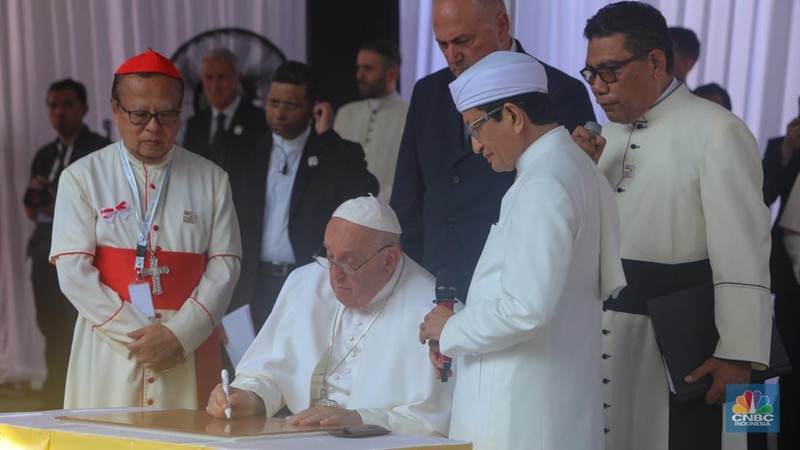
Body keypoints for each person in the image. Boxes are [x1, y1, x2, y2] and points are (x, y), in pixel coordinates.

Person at [572, 3, 772, 450]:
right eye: (591, 74)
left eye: (609, 72)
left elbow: (748, 250)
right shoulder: (607, 138)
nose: (598, 89)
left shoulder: (720, 130)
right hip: (619, 338)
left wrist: (740, 355)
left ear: (656, 62)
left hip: (703, 340)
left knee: (732, 440)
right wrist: (575, 174)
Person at [418, 51, 626, 450]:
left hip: (521, 416)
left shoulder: (544, 184)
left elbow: (527, 309)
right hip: (548, 403)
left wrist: (452, 330)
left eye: (475, 129)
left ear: (513, 116)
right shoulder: (573, 168)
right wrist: (460, 321)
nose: (476, 147)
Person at [49, 48, 242, 409]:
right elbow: (73, 272)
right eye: (139, 114)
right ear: (115, 109)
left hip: (186, 343)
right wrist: (138, 338)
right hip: (109, 342)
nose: (153, 126)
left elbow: (226, 266)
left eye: (167, 114)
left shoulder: (212, 179)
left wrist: (178, 336)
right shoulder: (82, 177)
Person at [391, 0, 597, 299]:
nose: (452, 56)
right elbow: (408, 196)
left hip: (512, 286)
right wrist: (403, 277)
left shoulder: (560, 90)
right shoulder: (428, 91)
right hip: (429, 281)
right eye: (442, 44)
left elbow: (569, 199)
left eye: (463, 41)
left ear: (501, 25)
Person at [206, 196, 452, 437]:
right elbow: (267, 372)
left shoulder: (433, 311)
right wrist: (248, 397)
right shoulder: (305, 282)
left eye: (348, 262)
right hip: (296, 438)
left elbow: (433, 424)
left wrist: (361, 419)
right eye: (330, 257)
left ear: (389, 261)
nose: (334, 276)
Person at [227, 61, 378, 330]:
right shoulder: (244, 151)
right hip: (252, 284)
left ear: (313, 108)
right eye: (273, 103)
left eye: (290, 106)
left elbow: (364, 194)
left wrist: (328, 137)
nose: (279, 113)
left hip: (310, 283)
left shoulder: (335, 151)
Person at [23, 78, 110, 409]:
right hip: (45, 247)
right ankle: (54, 391)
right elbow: (31, 207)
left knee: (78, 323)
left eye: (67, 105)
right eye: (53, 106)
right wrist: (40, 201)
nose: (59, 113)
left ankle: (83, 396)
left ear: (84, 108)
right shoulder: (45, 154)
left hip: (87, 251)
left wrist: (58, 200)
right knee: (49, 324)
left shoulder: (99, 149)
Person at [762, 113, 800, 450]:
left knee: (751, 375)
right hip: (779, 284)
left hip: (749, 289)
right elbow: (764, 194)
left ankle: (757, 444)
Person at [333, 39, 407, 202]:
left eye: (368, 69)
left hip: (390, 213)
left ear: (392, 73)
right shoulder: (346, 113)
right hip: (345, 211)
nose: (359, 75)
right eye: (358, 68)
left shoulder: (409, 115)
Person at [183, 48, 267, 173]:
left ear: (237, 78)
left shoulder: (259, 120)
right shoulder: (195, 125)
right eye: (209, 78)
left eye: (222, 78)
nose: (215, 85)